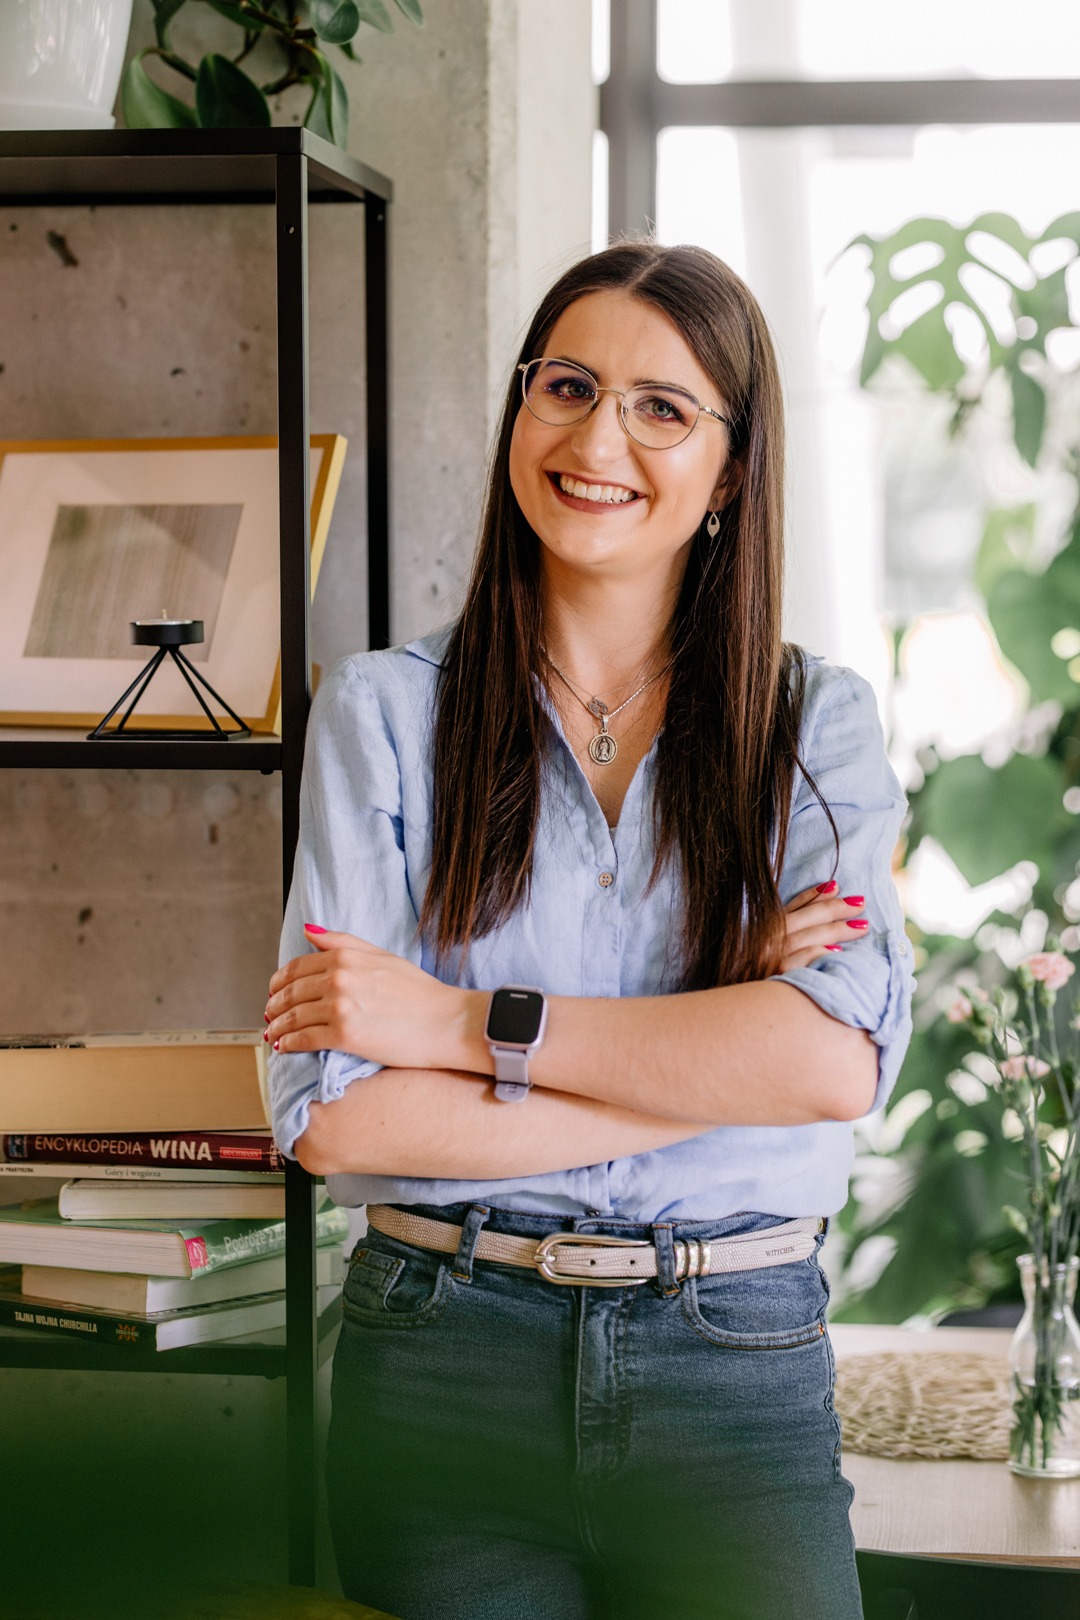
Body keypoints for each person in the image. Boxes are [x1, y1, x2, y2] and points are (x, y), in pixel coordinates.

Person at [264, 241, 915, 1620]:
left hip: (733, 1364)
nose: (597, 439)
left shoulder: (816, 727)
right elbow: (338, 1118)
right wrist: (714, 1051)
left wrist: (459, 1026)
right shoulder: (383, 716)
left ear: (730, 474)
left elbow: (829, 1065)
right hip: (444, 1357)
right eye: (566, 386)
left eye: (661, 407)